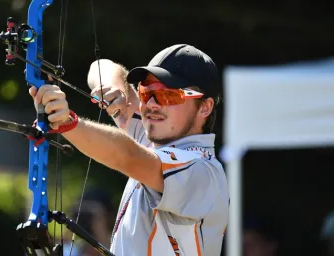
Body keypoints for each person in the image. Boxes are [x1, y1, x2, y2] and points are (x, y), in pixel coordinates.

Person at [29, 44, 229, 255]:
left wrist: (67, 123)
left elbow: (129, 156)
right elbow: (101, 66)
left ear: (205, 107)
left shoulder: (203, 171)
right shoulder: (155, 136)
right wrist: (116, 90)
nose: (152, 104)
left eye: (169, 96)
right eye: (146, 93)